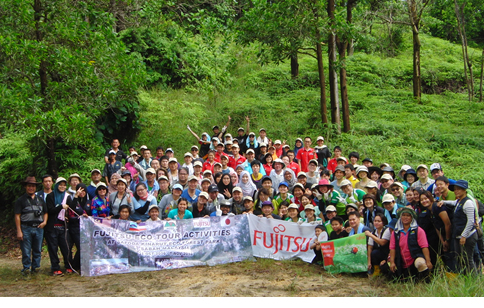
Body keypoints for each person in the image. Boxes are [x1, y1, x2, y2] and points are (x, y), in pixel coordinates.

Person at [439, 180, 478, 274]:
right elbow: (453, 202)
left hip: (468, 235)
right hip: (458, 234)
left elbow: (471, 221)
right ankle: (465, 279)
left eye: (459, 189)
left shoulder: (468, 202)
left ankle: (474, 279)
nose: (456, 191)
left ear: (465, 190)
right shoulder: (459, 201)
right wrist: (443, 202)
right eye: (455, 190)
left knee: (468, 259)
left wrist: (464, 235)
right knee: (460, 259)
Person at [383, 208, 433, 281]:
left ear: (412, 218)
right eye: (403, 215)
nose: (405, 217)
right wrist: (392, 262)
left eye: (408, 215)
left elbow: (424, 246)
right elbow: (392, 248)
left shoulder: (418, 230)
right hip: (401, 260)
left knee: (420, 264)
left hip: (415, 258)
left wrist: (428, 261)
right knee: (385, 267)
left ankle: (424, 279)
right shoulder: (396, 232)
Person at [15, 176, 48, 275]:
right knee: (26, 249)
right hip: (26, 227)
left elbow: (46, 212)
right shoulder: (20, 200)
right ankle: (26, 268)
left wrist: (45, 222)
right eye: (29, 186)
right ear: (25, 187)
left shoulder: (40, 200)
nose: (31, 188)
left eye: (33, 186)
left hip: (38, 227)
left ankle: (36, 267)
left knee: (37, 249)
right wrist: (19, 230)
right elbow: (17, 216)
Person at [45, 177, 71, 275]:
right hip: (52, 226)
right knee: (53, 248)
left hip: (63, 226)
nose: (62, 186)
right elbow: (50, 210)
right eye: (60, 184)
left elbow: (71, 209)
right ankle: (55, 267)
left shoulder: (67, 196)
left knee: (66, 247)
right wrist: (60, 207)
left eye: (64, 185)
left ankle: (68, 265)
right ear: (56, 185)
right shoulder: (50, 196)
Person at [66, 183, 90, 272]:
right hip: (75, 228)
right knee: (80, 247)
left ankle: (78, 264)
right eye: (80, 190)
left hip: (85, 228)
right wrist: (76, 196)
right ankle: (74, 265)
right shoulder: (74, 201)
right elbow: (70, 211)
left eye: (83, 190)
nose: (82, 192)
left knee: (85, 247)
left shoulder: (88, 202)